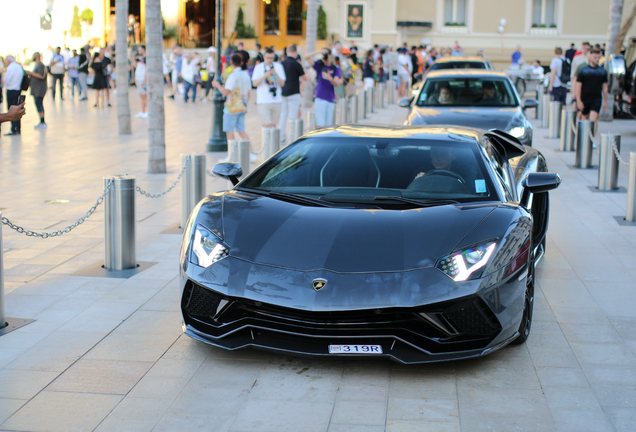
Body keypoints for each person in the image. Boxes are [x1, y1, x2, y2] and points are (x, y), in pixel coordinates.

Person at [212, 53, 250, 142]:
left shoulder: (232, 76)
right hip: (242, 105)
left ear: (231, 63)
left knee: (229, 131)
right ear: (241, 63)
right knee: (241, 130)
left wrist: (217, 85)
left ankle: (232, 154)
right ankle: (251, 153)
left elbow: (225, 92)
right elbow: (249, 92)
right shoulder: (246, 75)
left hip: (232, 106)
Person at [576, 49, 608, 137]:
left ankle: (591, 138)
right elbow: (578, 86)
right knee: (584, 118)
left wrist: (605, 101)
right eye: (595, 57)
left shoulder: (602, 71)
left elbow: (605, 87)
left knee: (593, 119)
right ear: (590, 57)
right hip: (585, 97)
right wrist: (578, 100)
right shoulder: (583, 70)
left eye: (598, 57)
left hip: (596, 98)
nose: (597, 59)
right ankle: (583, 137)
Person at [252, 48, 286, 128]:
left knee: (273, 125)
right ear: (264, 56)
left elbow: (282, 84)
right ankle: (266, 140)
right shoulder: (259, 67)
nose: (270, 60)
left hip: (276, 99)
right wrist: (265, 75)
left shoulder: (278, 66)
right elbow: (254, 84)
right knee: (266, 125)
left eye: (272, 58)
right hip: (263, 100)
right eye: (268, 58)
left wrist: (276, 74)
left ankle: (272, 140)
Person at [279, 44, 306, 143]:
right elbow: (305, 78)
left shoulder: (281, 63)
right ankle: (292, 137)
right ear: (295, 53)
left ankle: (281, 136)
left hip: (283, 92)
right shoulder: (296, 64)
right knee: (293, 115)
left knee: (283, 115)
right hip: (294, 92)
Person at [313, 52, 342, 128]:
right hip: (320, 97)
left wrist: (330, 78)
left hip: (330, 99)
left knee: (328, 126)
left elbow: (337, 84)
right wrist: (318, 51)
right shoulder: (319, 65)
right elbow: (306, 57)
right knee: (320, 124)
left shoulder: (335, 68)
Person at [2, 55, 24, 135]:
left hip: (11, 90)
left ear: (9, 61)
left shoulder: (10, 68)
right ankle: (18, 128)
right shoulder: (19, 66)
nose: (5, 62)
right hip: (18, 90)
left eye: (5, 60)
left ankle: (14, 129)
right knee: (18, 109)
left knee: (11, 110)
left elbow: (6, 81)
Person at [25, 52, 47, 129]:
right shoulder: (37, 64)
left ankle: (42, 122)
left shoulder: (40, 65)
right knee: (38, 104)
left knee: (39, 104)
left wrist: (31, 73)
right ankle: (42, 121)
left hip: (39, 89)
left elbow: (42, 76)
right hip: (36, 89)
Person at [570, 42, 590, 113]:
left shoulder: (591, 59)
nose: (585, 50)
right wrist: (573, 89)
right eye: (584, 48)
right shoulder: (577, 59)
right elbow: (573, 75)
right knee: (576, 103)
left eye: (587, 48)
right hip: (578, 83)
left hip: (587, 85)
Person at [132, 47, 147, 117]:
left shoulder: (146, 58)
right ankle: (142, 111)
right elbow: (135, 66)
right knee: (141, 96)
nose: (139, 51)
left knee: (145, 96)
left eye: (140, 50)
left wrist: (145, 80)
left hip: (143, 79)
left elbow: (147, 70)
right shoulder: (139, 58)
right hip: (138, 78)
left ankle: (147, 111)